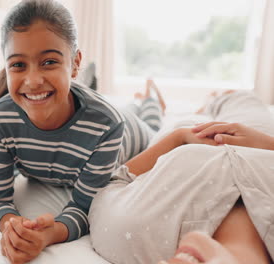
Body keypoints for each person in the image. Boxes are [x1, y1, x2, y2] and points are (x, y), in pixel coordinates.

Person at [0, 1, 165, 263]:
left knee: (152, 123)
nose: (32, 81)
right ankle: (140, 98)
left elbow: (85, 207)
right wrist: (14, 227)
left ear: (75, 62)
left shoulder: (107, 124)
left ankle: (150, 100)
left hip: (133, 133)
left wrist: (49, 234)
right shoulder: (0, 119)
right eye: (19, 65)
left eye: (49, 62)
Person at [88, 90, 274, 264]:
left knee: (184, 120)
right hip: (260, 133)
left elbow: (115, 182)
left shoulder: (133, 234)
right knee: (237, 98)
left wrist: (179, 137)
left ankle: (175, 105)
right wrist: (268, 143)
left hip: (181, 141)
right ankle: (214, 98)